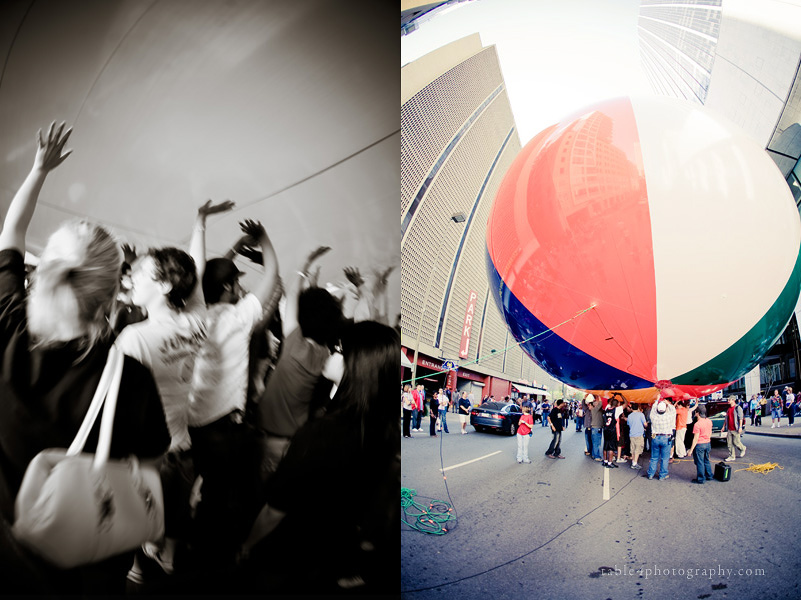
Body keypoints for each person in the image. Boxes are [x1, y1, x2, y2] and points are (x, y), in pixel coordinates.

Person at [0, 122, 170, 595]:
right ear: (114, 295)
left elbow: (10, 235)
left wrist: (38, 170)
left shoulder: (6, 328)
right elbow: (150, 469)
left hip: (11, 553)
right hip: (87, 568)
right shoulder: (129, 377)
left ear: (47, 271)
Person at [240, 321, 399, 595]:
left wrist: (248, 544)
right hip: (332, 548)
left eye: (338, 349)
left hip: (290, 550)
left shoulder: (323, 432)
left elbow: (275, 510)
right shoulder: (384, 428)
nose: (330, 353)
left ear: (356, 365)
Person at [185, 209, 280, 570]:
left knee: (204, 487)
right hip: (226, 426)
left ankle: (194, 549)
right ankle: (215, 562)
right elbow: (271, 275)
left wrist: (229, 244)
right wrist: (264, 237)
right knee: (223, 496)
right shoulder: (238, 319)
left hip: (194, 421)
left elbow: (202, 279)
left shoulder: (195, 316)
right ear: (227, 288)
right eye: (237, 283)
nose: (241, 288)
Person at [258, 246, 343, 478]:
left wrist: (304, 263)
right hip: (295, 442)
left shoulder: (294, 342)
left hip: (269, 441)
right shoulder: (326, 355)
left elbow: (293, 296)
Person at [646, 399, 676, 480]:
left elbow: (652, 409)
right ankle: (662, 476)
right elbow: (673, 410)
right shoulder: (669, 416)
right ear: (665, 409)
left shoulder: (653, 417)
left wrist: (657, 400)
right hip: (666, 438)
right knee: (665, 458)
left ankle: (650, 474)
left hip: (655, 437)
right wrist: (667, 403)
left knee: (654, 457)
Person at [687, 404, 714, 484]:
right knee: (706, 460)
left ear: (697, 413)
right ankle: (709, 476)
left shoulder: (697, 424)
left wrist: (690, 450)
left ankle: (701, 479)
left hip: (700, 445)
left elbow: (695, 438)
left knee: (700, 462)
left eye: (695, 412)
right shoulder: (709, 421)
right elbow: (710, 433)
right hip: (707, 443)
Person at [723, 395, 746, 461]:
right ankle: (732, 456)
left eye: (729, 400)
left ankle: (743, 448)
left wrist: (740, 427)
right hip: (729, 429)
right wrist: (724, 426)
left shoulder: (738, 408)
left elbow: (740, 418)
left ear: (733, 400)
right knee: (729, 443)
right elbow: (726, 418)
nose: (728, 401)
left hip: (735, 429)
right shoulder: (728, 409)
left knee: (736, 442)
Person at [627, 403, 646, 469]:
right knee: (637, 449)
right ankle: (635, 463)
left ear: (631, 408)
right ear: (638, 408)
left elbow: (628, 424)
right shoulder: (641, 414)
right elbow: (645, 424)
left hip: (632, 434)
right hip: (639, 434)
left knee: (633, 449)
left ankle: (633, 462)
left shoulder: (629, 416)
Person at [602, 399, 619, 468]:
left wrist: (613, 397)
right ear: (617, 404)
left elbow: (609, 403)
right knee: (611, 447)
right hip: (612, 430)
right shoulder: (616, 410)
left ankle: (605, 461)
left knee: (605, 446)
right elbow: (625, 403)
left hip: (606, 429)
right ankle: (610, 463)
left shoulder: (607, 409)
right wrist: (621, 395)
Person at [589, 396, 604, 461]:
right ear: (595, 404)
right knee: (596, 443)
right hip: (596, 428)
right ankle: (597, 456)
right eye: (597, 403)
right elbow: (600, 404)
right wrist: (599, 397)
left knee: (595, 442)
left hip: (597, 427)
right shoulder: (594, 409)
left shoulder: (598, 410)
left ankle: (594, 454)